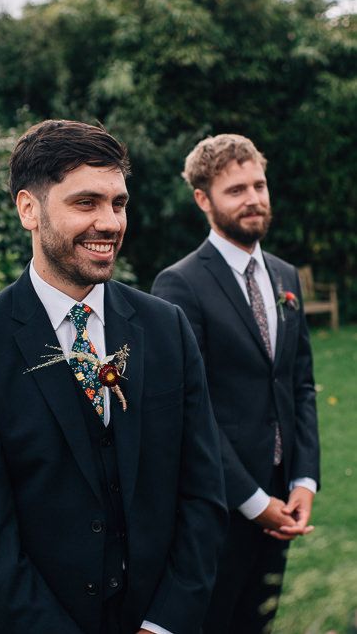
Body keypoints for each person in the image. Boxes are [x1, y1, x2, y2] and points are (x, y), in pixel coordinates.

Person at [0, 120, 227, 634]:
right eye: (85, 203)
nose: (109, 223)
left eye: (118, 203)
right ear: (29, 209)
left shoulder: (165, 328)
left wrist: (164, 623)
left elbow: (203, 494)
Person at [151, 134, 320, 633]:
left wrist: (303, 479)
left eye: (259, 185)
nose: (253, 199)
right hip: (216, 505)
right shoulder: (179, 285)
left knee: (258, 623)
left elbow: (300, 383)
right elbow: (189, 410)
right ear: (203, 200)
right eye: (236, 190)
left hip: (282, 497)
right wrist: (252, 501)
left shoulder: (285, 274)